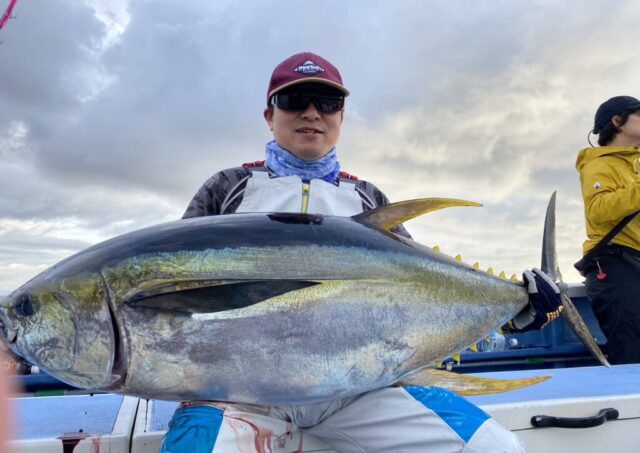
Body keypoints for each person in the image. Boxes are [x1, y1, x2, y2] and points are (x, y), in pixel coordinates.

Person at [160, 51, 563, 453]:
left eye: (328, 102)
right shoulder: (227, 187)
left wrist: (515, 315)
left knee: (493, 447)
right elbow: (171, 291)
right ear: (269, 115)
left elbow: (421, 298)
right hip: (238, 391)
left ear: (341, 116)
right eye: (295, 100)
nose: (312, 113)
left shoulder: (368, 198)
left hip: (360, 390)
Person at [576, 95, 640, 365]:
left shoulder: (635, 164)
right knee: (632, 355)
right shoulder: (598, 163)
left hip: (634, 263)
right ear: (617, 121)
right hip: (616, 268)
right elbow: (599, 210)